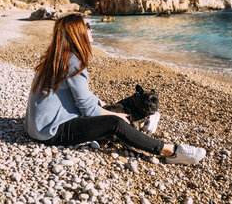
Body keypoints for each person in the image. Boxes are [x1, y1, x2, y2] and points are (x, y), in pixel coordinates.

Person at [24, 14, 206, 165]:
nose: (91, 29)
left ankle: (142, 124)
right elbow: (87, 109)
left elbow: (81, 97)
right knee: (115, 123)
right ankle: (171, 151)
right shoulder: (73, 62)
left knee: (106, 108)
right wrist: (115, 116)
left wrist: (101, 103)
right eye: (87, 26)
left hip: (35, 127)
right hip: (51, 131)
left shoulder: (56, 58)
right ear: (78, 34)